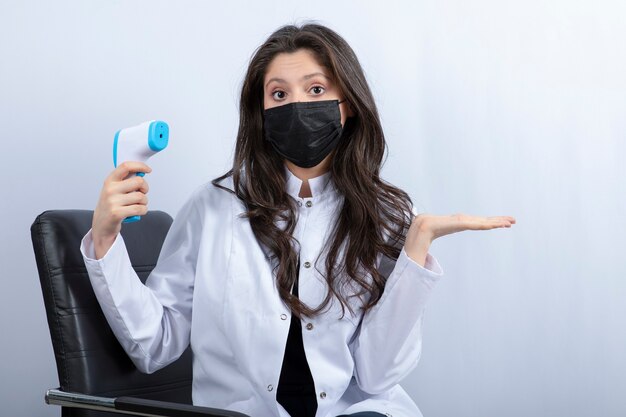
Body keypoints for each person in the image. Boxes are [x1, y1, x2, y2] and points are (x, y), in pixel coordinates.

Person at [81, 23, 515, 417]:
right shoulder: (213, 206)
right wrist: (105, 240)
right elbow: (154, 344)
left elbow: (377, 376)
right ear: (262, 112)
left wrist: (415, 251)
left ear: (348, 106)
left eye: (315, 90)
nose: (297, 106)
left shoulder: (389, 215)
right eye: (279, 94)